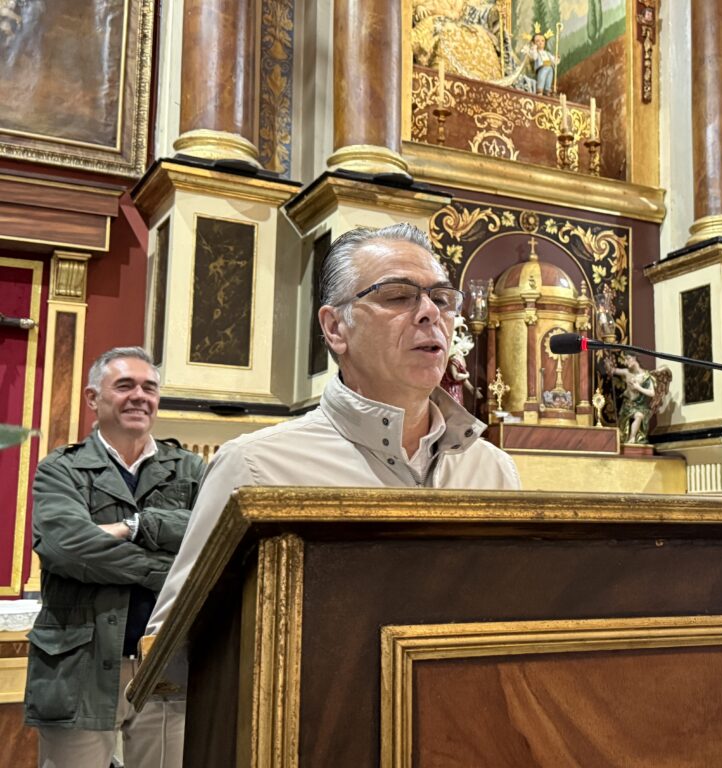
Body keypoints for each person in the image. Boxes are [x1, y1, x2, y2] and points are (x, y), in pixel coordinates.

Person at [147, 223, 521, 634]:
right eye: (398, 296)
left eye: (442, 299)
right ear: (335, 328)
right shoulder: (256, 468)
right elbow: (175, 645)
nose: (431, 312)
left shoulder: (491, 470)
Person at [25, 347, 204, 768]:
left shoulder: (191, 469)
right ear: (93, 398)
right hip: (78, 666)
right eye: (125, 386)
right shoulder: (61, 469)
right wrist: (165, 568)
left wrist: (137, 526)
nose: (139, 396)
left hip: (168, 663)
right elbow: (66, 547)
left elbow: (212, 536)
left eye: (149, 388)